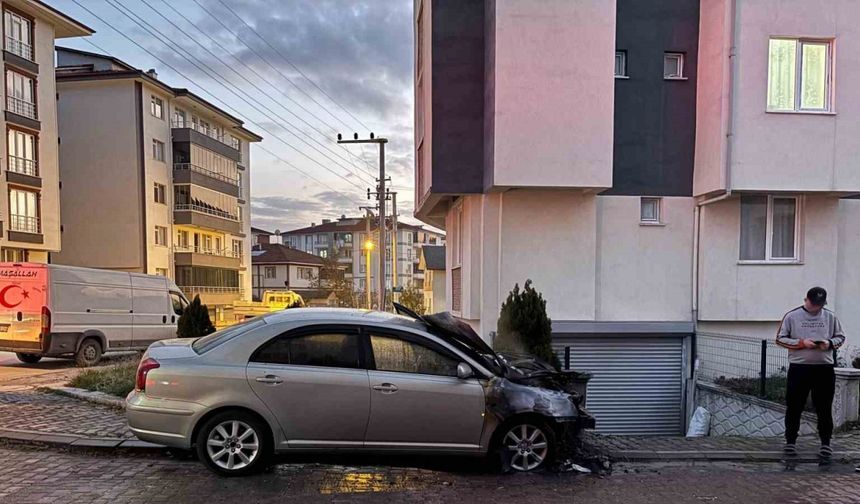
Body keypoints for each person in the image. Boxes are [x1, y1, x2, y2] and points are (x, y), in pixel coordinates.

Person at [775, 287, 845, 465]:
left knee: (824, 407)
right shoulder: (792, 316)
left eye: (819, 305)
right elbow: (780, 339)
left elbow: (840, 337)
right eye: (814, 304)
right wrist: (801, 343)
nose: (816, 308)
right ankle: (790, 441)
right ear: (806, 300)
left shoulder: (830, 317)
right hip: (799, 368)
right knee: (794, 405)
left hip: (824, 368)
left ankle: (825, 443)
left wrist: (829, 343)